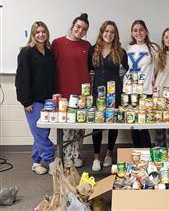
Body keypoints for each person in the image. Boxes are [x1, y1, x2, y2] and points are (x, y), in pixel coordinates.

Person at [15, 21, 56, 175]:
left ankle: (36, 162)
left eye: (43, 31)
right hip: (33, 102)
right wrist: (26, 101)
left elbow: (52, 76)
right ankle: (52, 163)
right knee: (40, 133)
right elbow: (21, 78)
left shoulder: (49, 52)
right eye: (37, 32)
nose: (41, 34)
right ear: (33, 34)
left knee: (41, 134)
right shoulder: (26, 52)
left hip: (49, 101)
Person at [51, 13, 91, 168]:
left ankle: (76, 155)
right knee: (67, 129)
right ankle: (66, 158)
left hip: (83, 94)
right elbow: (51, 68)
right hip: (64, 94)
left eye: (84, 29)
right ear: (73, 25)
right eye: (78, 27)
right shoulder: (57, 43)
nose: (80, 31)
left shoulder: (87, 46)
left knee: (80, 129)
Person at [88, 21, 128, 171]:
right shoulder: (93, 50)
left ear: (115, 34)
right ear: (101, 32)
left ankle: (109, 153)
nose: (109, 34)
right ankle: (96, 157)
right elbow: (89, 68)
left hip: (114, 93)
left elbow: (128, 71)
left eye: (112, 32)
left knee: (113, 123)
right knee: (97, 125)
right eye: (106, 31)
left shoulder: (120, 51)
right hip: (97, 93)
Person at [123, 20, 159, 148]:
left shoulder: (153, 48)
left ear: (146, 31)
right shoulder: (128, 48)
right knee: (133, 123)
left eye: (141, 29)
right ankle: (137, 152)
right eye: (135, 30)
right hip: (129, 89)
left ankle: (146, 152)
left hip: (146, 90)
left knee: (143, 124)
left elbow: (159, 68)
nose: (138, 33)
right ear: (132, 33)